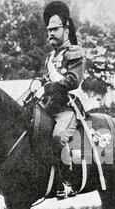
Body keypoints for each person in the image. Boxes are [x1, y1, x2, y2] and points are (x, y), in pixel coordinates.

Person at [35, 1, 86, 198]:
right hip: (49, 107)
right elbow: (44, 77)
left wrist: (48, 87)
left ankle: (67, 183)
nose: (50, 33)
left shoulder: (74, 52)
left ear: (66, 29)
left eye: (55, 29)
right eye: (48, 30)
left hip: (69, 107)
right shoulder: (50, 57)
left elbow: (73, 80)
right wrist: (37, 83)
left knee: (58, 136)